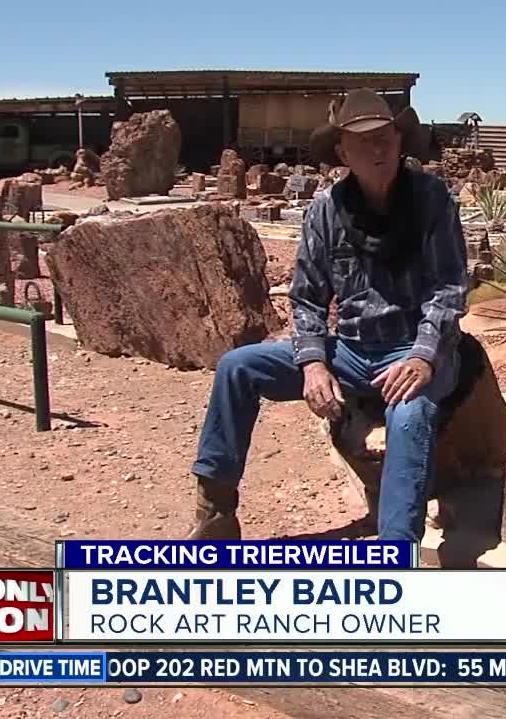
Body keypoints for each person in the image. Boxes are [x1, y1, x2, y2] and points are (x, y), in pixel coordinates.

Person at [187, 88, 469, 543]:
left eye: (385, 137)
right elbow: (306, 298)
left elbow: (449, 287)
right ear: (342, 152)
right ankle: (215, 512)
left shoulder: (431, 199)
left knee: (409, 413)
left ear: (400, 141)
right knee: (237, 368)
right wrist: (314, 362)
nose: (377, 149)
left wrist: (423, 356)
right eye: (363, 141)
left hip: (414, 348)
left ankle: (396, 550)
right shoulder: (327, 209)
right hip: (353, 351)